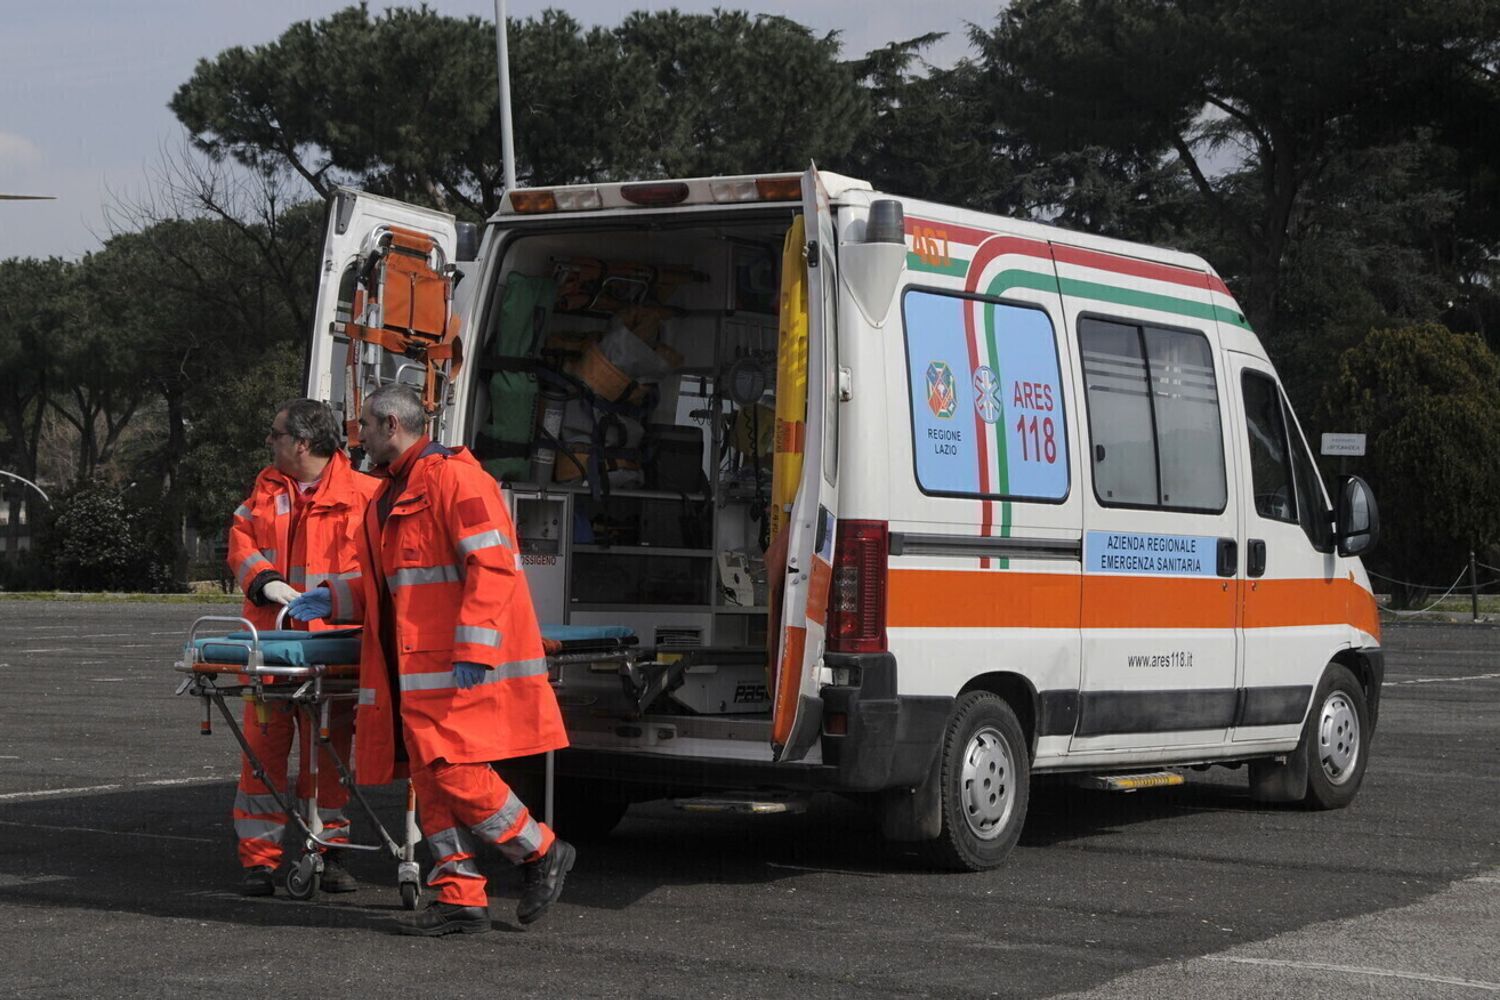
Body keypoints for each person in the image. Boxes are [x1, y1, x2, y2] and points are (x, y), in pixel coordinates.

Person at [290, 384, 573, 936]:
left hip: (453, 667)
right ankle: (460, 899)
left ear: (392, 425)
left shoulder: (455, 478)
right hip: (415, 673)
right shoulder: (389, 494)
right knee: (430, 779)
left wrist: (474, 648)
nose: (360, 437)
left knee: (453, 771)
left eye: (366, 427)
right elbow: (391, 586)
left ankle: (541, 851)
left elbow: (492, 565)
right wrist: (335, 596)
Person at [225, 398, 379, 897]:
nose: (269, 442)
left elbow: (378, 573)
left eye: (276, 434)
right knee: (261, 760)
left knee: (328, 762)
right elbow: (240, 543)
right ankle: (259, 863)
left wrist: (331, 601)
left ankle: (327, 852)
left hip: (331, 652)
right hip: (269, 649)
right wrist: (266, 582)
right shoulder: (267, 487)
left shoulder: (366, 496)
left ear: (304, 443)